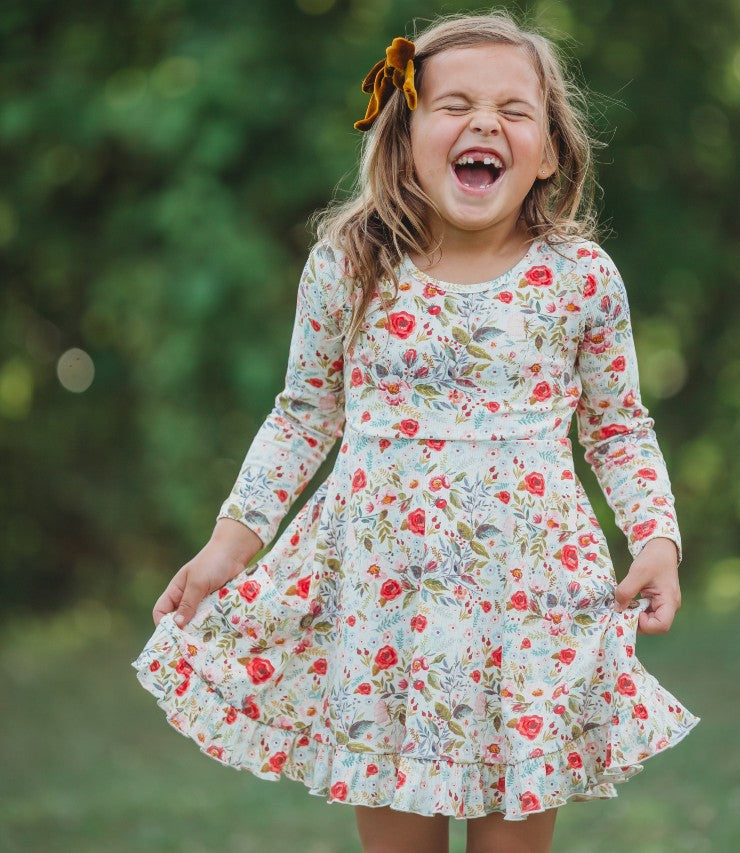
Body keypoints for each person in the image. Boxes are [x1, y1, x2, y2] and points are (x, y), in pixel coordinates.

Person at [132, 11, 700, 853]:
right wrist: (229, 545)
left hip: (529, 605)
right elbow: (302, 415)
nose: (484, 124)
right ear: (403, 140)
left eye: (514, 111)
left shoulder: (579, 279)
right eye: (456, 105)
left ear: (547, 151)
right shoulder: (351, 263)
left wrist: (655, 536)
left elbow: (616, 427)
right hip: (384, 605)